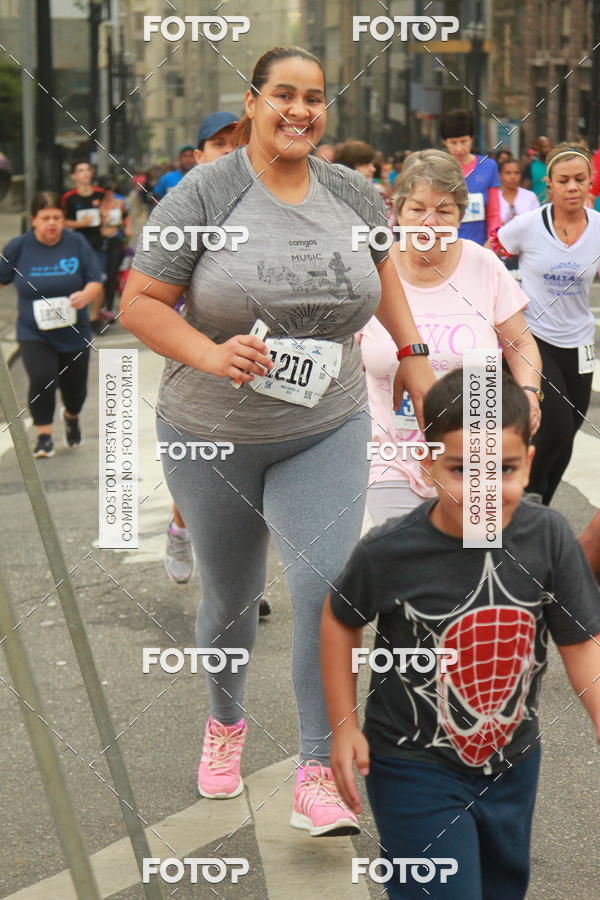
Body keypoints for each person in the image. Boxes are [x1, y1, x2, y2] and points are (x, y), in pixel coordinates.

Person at [120, 45, 434, 836]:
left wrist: (416, 357)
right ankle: (225, 723)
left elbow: (383, 271)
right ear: (252, 101)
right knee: (229, 599)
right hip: (211, 431)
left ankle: (317, 771)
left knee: (327, 589)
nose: (301, 110)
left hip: (323, 421)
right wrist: (209, 351)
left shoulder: (354, 192)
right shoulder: (204, 194)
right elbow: (141, 304)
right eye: (285, 95)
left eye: (315, 98)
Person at [321, 368, 600, 900]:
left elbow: (581, 640)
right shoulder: (390, 551)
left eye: (504, 469)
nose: (484, 490)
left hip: (512, 762)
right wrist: (342, 724)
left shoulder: (549, 537)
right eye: (461, 469)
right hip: (410, 763)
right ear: (427, 465)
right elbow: (340, 619)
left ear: (529, 464)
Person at [358, 150, 542, 526]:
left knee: (476, 563)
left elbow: (520, 343)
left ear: (461, 215)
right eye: (417, 209)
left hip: (477, 451)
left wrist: (528, 394)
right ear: (396, 212)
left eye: (444, 211)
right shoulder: (371, 271)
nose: (430, 222)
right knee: (411, 568)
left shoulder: (483, 265)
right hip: (390, 455)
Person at [494, 142, 600, 505]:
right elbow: (492, 256)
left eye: (580, 179)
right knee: (552, 425)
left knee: (568, 432)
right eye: (564, 180)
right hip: (533, 338)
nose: (572, 187)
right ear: (549, 186)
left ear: (591, 183)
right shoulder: (526, 226)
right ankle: (525, 500)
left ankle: (538, 509)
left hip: (580, 341)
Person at [162, 111, 239, 587]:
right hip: (199, 356)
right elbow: (150, 299)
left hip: (264, 359)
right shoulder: (179, 208)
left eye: (237, 143)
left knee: (256, 471)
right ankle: (179, 527)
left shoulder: (274, 200)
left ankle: (236, 583)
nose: (229, 153)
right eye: (218, 145)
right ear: (198, 155)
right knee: (203, 469)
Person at [0, 192, 103, 457]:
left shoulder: (76, 243)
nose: (51, 223)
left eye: (57, 217)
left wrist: (86, 295)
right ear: (33, 220)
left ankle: (71, 415)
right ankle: (44, 436)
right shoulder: (19, 246)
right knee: (42, 378)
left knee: (75, 390)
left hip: (74, 331)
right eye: (45, 218)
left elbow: (95, 280)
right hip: (34, 331)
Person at [440, 108, 501, 245]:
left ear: (472, 138)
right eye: (453, 142)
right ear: (444, 142)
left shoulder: (488, 166)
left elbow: (494, 212)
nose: (459, 148)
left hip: (480, 245)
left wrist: (492, 241)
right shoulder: (437, 168)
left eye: (464, 141)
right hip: (445, 246)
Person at [61, 160, 105, 330]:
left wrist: (107, 218)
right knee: (77, 280)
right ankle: (77, 315)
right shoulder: (69, 197)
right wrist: (81, 224)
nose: (85, 173)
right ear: (74, 176)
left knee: (98, 280)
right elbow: (63, 221)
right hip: (77, 245)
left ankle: (93, 319)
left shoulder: (100, 194)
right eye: (80, 170)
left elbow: (114, 210)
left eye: (88, 170)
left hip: (98, 243)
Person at [97, 175, 132, 321]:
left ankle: (109, 308)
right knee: (101, 275)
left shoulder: (120, 202)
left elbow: (127, 217)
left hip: (116, 240)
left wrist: (128, 229)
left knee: (112, 274)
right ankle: (100, 305)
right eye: (105, 190)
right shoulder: (96, 204)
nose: (108, 192)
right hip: (100, 241)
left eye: (110, 189)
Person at [498, 158, 539, 223]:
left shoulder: (530, 196)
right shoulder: (494, 198)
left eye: (517, 173)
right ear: (499, 175)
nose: (513, 176)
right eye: (508, 173)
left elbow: (537, 221)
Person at [522, 135, 552, 203]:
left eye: (549, 147)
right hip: (536, 208)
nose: (548, 150)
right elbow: (525, 190)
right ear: (538, 148)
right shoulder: (531, 166)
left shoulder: (555, 166)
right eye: (545, 147)